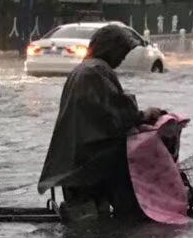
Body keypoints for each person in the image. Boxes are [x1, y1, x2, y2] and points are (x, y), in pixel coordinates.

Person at [37, 23, 163, 220]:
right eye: (121, 51)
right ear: (110, 48)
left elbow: (107, 111)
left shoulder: (83, 69)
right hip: (90, 162)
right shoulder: (97, 70)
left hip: (76, 158)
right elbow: (118, 113)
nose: (122, 58)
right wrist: (143, 115)